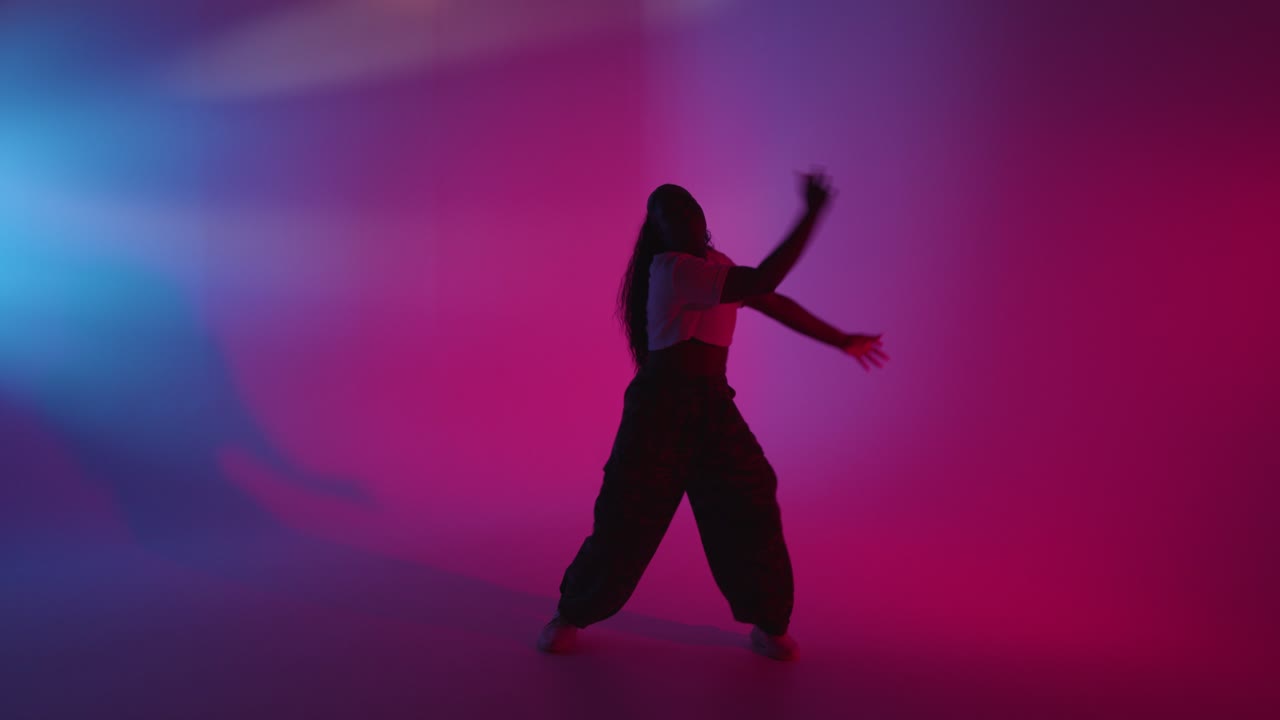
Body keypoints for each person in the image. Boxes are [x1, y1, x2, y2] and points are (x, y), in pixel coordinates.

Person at [537, 171, 888, 661]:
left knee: (749, 501)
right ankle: (571, 612)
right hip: (661, 408)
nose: (680, 220)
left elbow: (772, 300)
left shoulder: (715, 266)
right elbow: (765, 280)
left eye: (686, 211)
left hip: (713, 405)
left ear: (702, 220)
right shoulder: (672, 268)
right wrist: (809, 213)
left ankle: (768, 622)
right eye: (666, 215)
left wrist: (841, 339)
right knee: (628, 516)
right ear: (657, 230)